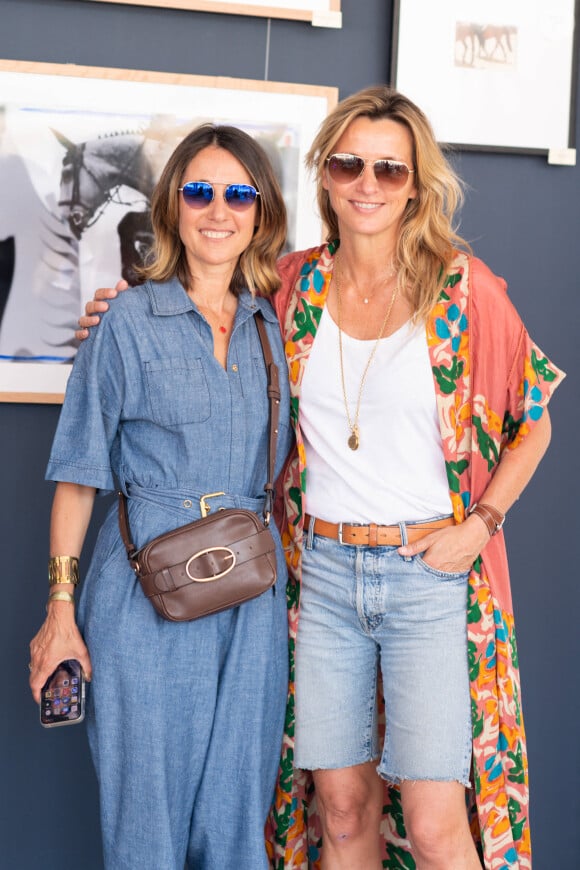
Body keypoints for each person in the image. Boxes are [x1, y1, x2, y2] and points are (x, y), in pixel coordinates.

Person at [77, 87, 564, 870]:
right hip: (325, 578)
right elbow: (203, 299)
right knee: (341, 814)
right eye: (349, 164)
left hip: (426, 578)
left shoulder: (463, 290)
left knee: (441, 827)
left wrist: (482, 524)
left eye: (390, 170)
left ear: (416, 184)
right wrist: (125, 304)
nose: (367, 183)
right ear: (325, 175)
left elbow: (533, 417)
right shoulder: (292, 286)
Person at [29, 123, 292, 870]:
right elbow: (78, 476)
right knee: (147, 824)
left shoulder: (274, 326)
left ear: (261, 212)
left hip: (251, 602)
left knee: (238, 823)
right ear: (173, 205)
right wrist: (60, 613)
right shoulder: (126, 320)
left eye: (238, 193)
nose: (218, 209)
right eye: (198, 190)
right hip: (144, 597)